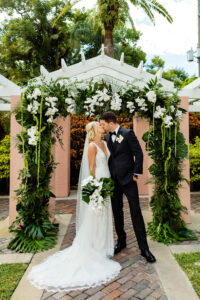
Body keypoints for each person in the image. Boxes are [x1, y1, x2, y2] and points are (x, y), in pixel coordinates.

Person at [27, 121, 121, 292]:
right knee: (96, 215)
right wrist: (94, 189)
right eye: (99, 125)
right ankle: (95, 248)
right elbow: (91, 169)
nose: (102, 127)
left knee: (106, 215)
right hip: (98, 182)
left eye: (102, 125)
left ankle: (104, 246)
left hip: (107, 181)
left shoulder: (105, 143)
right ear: (93, 130)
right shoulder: (92, 146)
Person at [100, 112, 156, 263]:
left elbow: (139, 153)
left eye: (103, 124)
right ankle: (121, 241)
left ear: (110, 123)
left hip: (128, 180)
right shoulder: (105, 138)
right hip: (113, 181)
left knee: (135, 211)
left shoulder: (127, 133)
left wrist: (135, 173)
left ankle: (144, 248)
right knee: (117, 212)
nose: (102, 127)